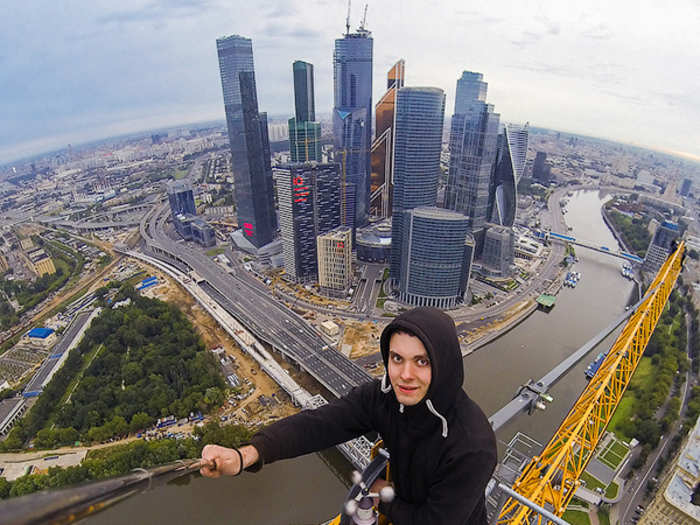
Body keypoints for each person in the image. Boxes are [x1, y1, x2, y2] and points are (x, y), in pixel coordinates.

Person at [201, 307, 497, 524]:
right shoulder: (385, 398)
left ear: (443, 365)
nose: (405, 375)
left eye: (422, 361)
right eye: (397, 359)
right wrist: (248, 454)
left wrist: (382, 495)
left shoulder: (472, 445)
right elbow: (322, 424)